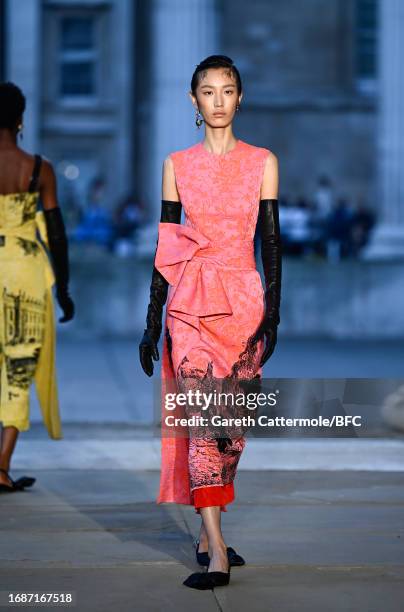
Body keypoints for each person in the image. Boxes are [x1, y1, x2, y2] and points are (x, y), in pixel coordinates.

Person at [139, 55, 282, 590]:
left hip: (244, 302)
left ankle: (206, 533)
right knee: (203, 422)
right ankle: (217, 550)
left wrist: (275, 313)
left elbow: (271, 242)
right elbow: (166, 245)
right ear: (192, 101)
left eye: (227, 91)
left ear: (240, 98)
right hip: (192, 304)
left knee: (229, 433)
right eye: (207, 92)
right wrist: (154, 320)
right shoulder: (177, 164)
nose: (218, 101)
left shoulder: (263, 161)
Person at [0, 82, 74, 493]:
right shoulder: (38, 169)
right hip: (25, 274)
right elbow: (57, 236)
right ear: (20, 120)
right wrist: (63, 288)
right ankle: (2, 464)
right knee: (18, 369)